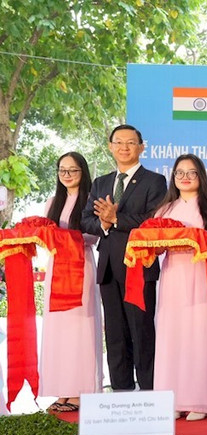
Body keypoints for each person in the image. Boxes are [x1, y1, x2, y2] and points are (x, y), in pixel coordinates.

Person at [82, 124, 167, 391]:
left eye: (131, 143)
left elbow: (152, 221)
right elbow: (86, 221)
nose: (124, 147)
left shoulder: (155, 181)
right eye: (119, 142)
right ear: (110, 147)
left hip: (138, 268)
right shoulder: (101, 183)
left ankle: (149, 394)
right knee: (116, 336)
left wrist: (116, 218)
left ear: (141, 147)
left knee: (141, 332)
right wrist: (104, 225)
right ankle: (121, 394)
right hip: (107, 268)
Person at [152, 154, 207, 421]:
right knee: (172, 337)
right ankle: (173, 400)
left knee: (198, 336)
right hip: (172, 277)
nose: (185, 177)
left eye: (191, 173)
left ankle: (199, 401)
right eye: (179, 172)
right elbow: (156, 245)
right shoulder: (164, 210)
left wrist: (190, 239)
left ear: (201, 177)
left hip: (200, 277)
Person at [41, 152, 102, 412]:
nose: (67, 175)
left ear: (83, 172)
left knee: (81, 329)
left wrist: (63, 238)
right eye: (62, 170)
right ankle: (63, 390)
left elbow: (93, 236)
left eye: (73, 170)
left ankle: (81, 390)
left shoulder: (91, 201)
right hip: (56, 270)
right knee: (59, 330)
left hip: (81, 267)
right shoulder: (53, 202)